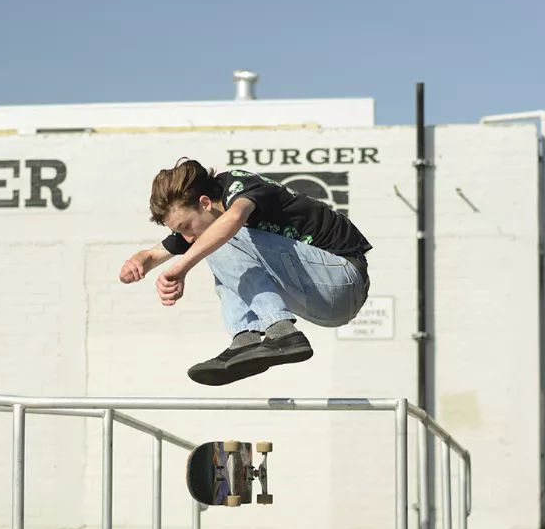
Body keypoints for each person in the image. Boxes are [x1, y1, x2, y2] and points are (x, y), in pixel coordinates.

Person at [119, 159, 372, 385]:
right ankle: (245, 339)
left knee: (216, 235)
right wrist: (144, 258)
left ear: (205, 203)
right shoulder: (205, 219)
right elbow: (162, 250)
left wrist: (182, 267)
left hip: (343, 276)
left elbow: (234, 219)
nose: (186, 236)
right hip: (316, 297)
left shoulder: (238, 187)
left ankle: (281, 331)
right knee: (212, 239)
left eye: (185, 226)